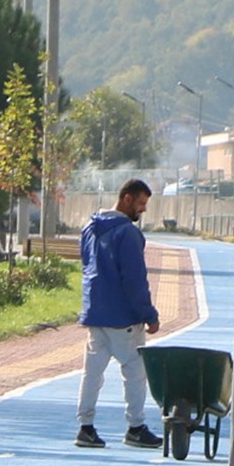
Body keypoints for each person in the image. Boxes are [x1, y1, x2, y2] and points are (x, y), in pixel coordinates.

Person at [75, 179, 163, 450]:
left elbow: (86, 264)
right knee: (135, 372)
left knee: (92, 373)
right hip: (123, 317)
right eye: (140, 203)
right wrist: (149, 314)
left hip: (95, 312)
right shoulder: (127, 233)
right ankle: (135, 427)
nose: (143, 210)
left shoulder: (90, 228)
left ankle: (85, 427)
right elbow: (135, 279)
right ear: (126, 198)